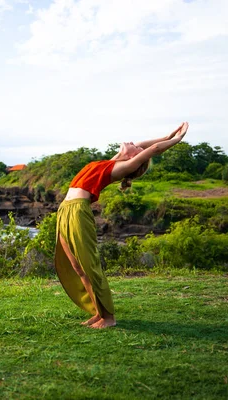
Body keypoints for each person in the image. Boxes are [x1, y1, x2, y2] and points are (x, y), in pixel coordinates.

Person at [54, 122, 189, 329]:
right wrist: (166, 135)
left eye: (136, 149)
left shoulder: (122, 167)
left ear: (132, 158)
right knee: (76, 266)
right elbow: (144, 144)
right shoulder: (110, 162)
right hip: (65, 210)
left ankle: (109, 317)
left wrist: (176, 140)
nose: (134, 144)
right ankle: (98, 313)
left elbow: (152, 150)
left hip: (77, 211)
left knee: (88, 265)